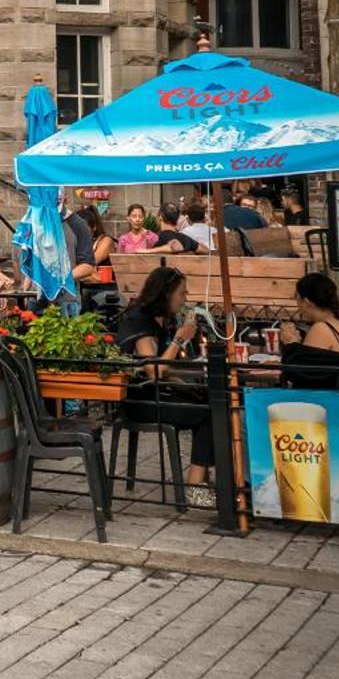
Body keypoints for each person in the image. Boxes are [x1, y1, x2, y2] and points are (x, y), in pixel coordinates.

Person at [116, 263, 213, 505]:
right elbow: (154, 369)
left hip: (156, 393)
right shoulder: (139, 319)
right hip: (140, 400)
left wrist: (186, 385)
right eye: (182, 293)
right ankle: (194, 487)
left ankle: (209, 477)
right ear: (166, 293)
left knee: (211, 399)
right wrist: (181, 338)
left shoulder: (160, 319)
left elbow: (164, 373)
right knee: (207, 413)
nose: (185, 299)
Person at [61, 201, 98, 293]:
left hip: (68, 294)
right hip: (36, 296)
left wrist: (60, 282)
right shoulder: (34, 222)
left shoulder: (77, 224)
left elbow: (88, 265)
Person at [80, 205, 115, 283]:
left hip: (104, 290)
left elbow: (89, 263)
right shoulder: (79, 243)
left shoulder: (105, 241)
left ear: (94, 227)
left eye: (84, 227)